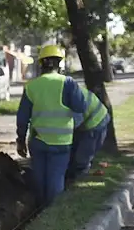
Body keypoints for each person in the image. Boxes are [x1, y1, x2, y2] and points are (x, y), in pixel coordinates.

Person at [15, 45, 90, 208]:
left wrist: (20, 140)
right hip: (61, 142)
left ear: (41, 63)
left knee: (40, 178)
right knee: (56, 178)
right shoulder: (68, 83)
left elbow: (22, 118)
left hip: (38, 141)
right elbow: (81, 107)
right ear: (59, 63)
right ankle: (53, 212)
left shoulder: (32, 86)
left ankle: (40, 210)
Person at [66, 89, 111, 184]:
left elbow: (76, 122)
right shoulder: (66, 91)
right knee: (75, 150)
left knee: (83, 155)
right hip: (88, 119)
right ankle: (73, 175)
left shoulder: (72, 98)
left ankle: (79, 180)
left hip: (96, 122)